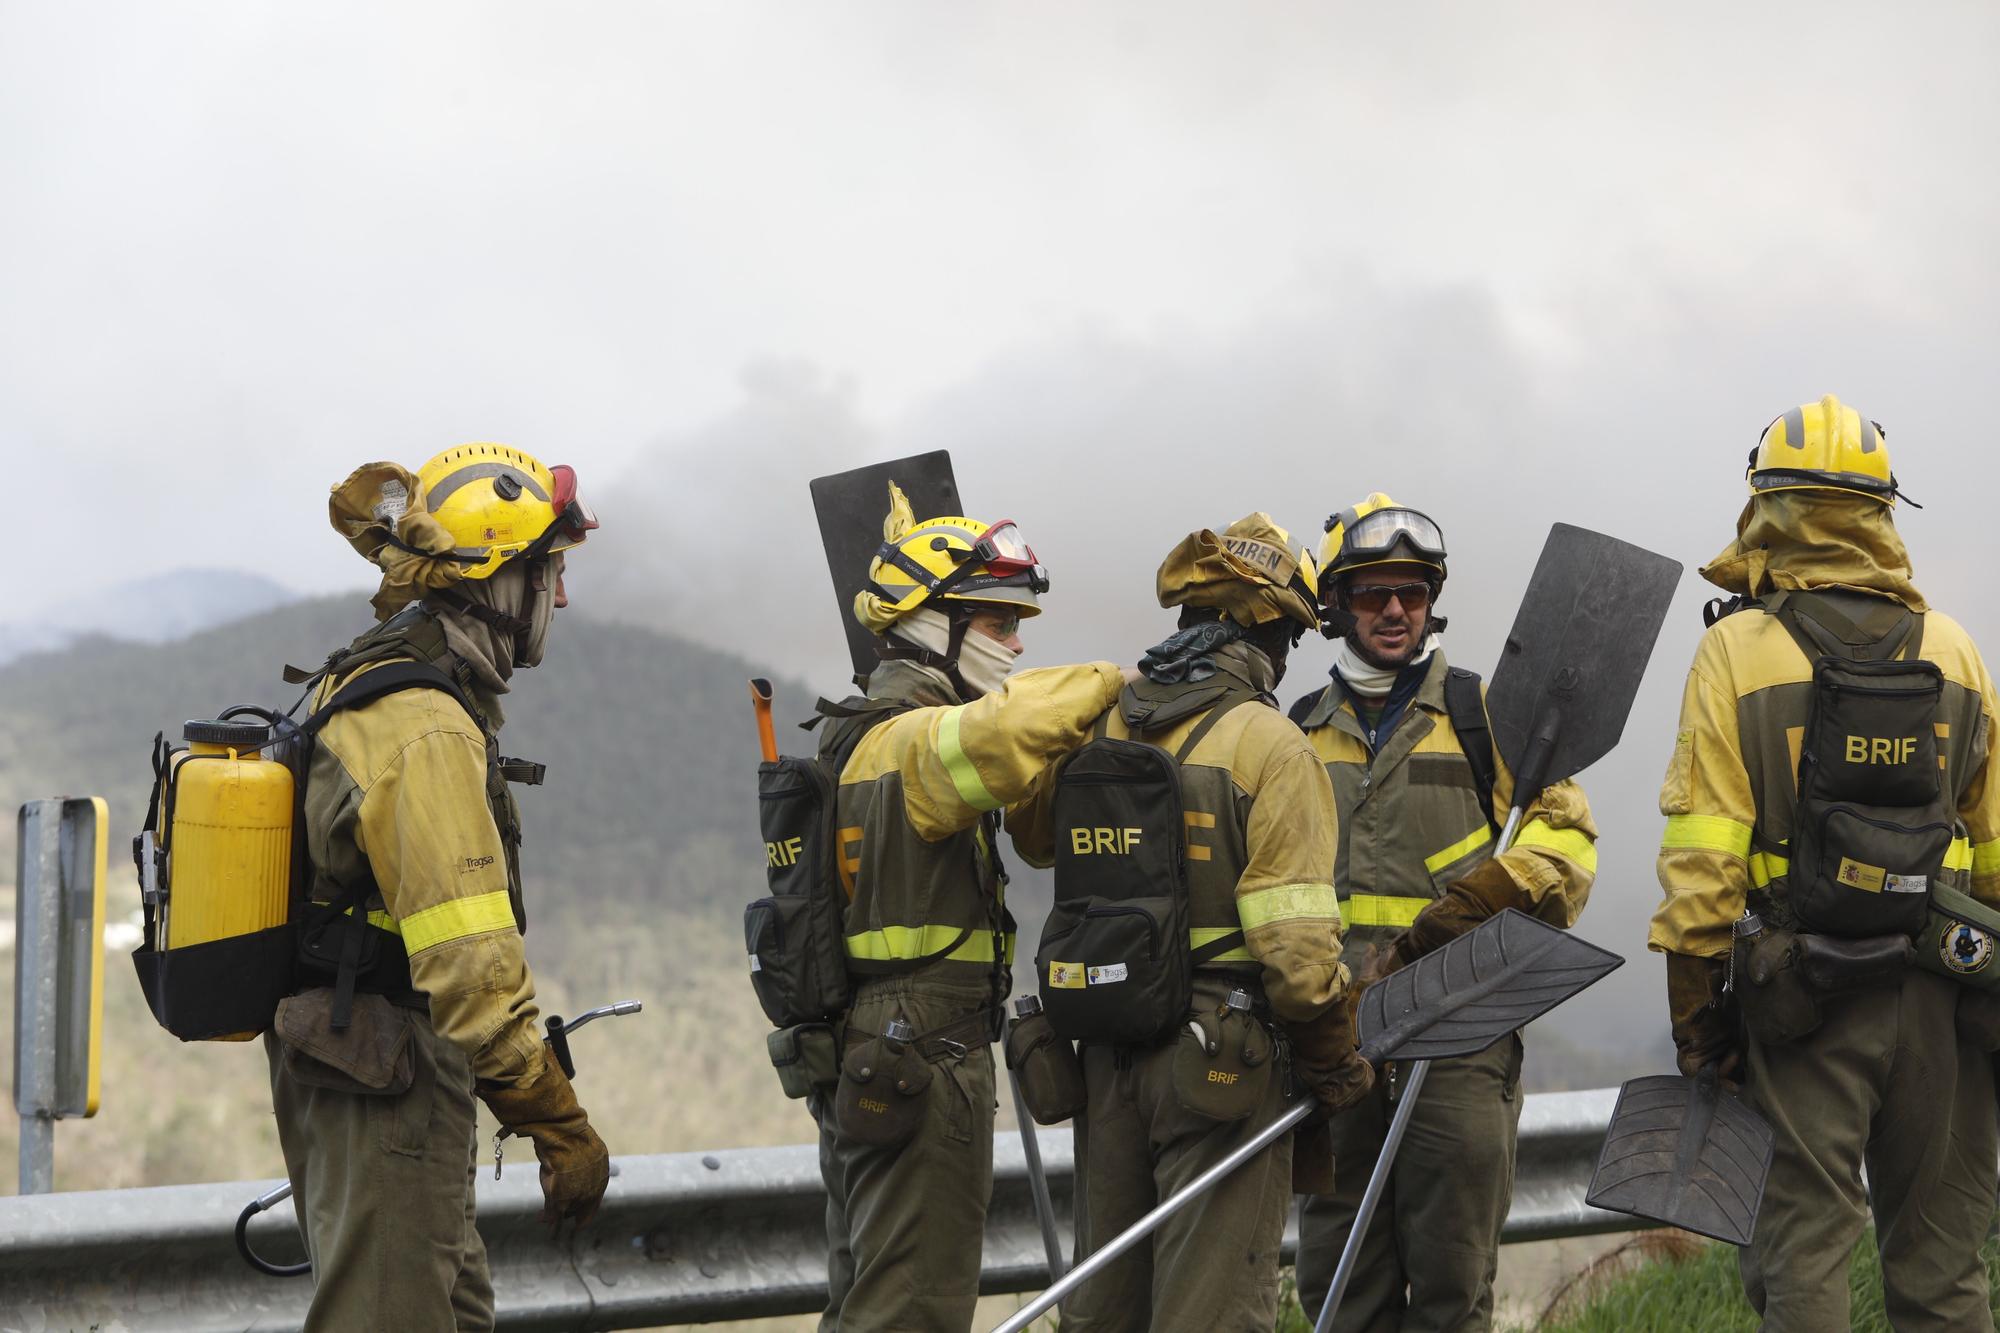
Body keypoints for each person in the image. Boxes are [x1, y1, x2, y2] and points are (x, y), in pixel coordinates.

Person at [1649, 396, 2000, 1331]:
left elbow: (1702, 867)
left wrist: (1699, 1023)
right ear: (1884, 514)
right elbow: (1997, 851)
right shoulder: (1957, 652)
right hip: (1943, 993)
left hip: (1802, 1000)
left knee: (1804, 1252)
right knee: (1943, 1263)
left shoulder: (1737, 651)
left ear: (1768, 507)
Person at [266, 445, 610, 1331]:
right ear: (499, 578)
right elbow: (471, 971)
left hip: (380, 1063)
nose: (559, 598)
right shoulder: (425, 727)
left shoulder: (391, 681)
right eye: (549, 571)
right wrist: (559, 1122)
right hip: (387, 1077)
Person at [1010, 513, 1371, 1332]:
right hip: (1221, 1063)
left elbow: (1032, 837)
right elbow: (1295, 950)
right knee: (1210, 1313)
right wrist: (1334, 1058)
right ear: (1267, 629)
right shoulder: (1273, 746)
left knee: (1103, 1310)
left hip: (1105, 1054)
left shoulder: (1096, 726)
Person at [815, 482, 1135, 1332]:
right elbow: (1002, 733)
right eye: (998, 623)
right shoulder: (905, 742)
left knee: (867, 1303)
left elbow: (1032, 832)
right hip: (919, 1052)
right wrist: (1115, 680)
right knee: (910, 1310)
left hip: (887, 1045)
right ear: (930, 624)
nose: (1016, 642)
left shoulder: (877, 732)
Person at [1292, 493, 1598, 1332]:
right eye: (1371, 593)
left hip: (1460, 1034)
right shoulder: (1295, 735)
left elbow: (1568, 843)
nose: (1395, 610)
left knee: (1452, 1288)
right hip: (1338, 1039)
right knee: (1340, 1282)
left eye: (1413, 593)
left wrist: (1485, 898)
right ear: (1336, 606)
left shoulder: (1486, 715)